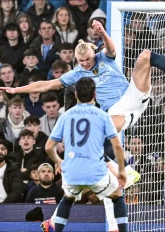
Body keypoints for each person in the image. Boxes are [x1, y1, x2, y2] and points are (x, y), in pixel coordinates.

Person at [0, 19, 165, 133]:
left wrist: (103, 32)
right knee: (99, 129)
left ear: (92, 53)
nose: (86, 63)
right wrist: (17, 89)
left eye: (88, 59)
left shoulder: (103, 57)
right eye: (81, 62)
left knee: (145, 56)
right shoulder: (76, 73)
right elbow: (46, 85)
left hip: (132, 95)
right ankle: (124, 170)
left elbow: (111, 47)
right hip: (116, 111)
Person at [41, 77, 127, 232]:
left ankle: (55, 227)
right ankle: (120, 229)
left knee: (68, 199)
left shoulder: (66, 116)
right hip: (95, 172)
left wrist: (59, 161)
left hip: (72, 172)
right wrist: (121, 171)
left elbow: (48, 147)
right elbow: (117, 146)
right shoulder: (102, 116)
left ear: (75, 95)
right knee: (117, 195)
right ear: (95, 94)